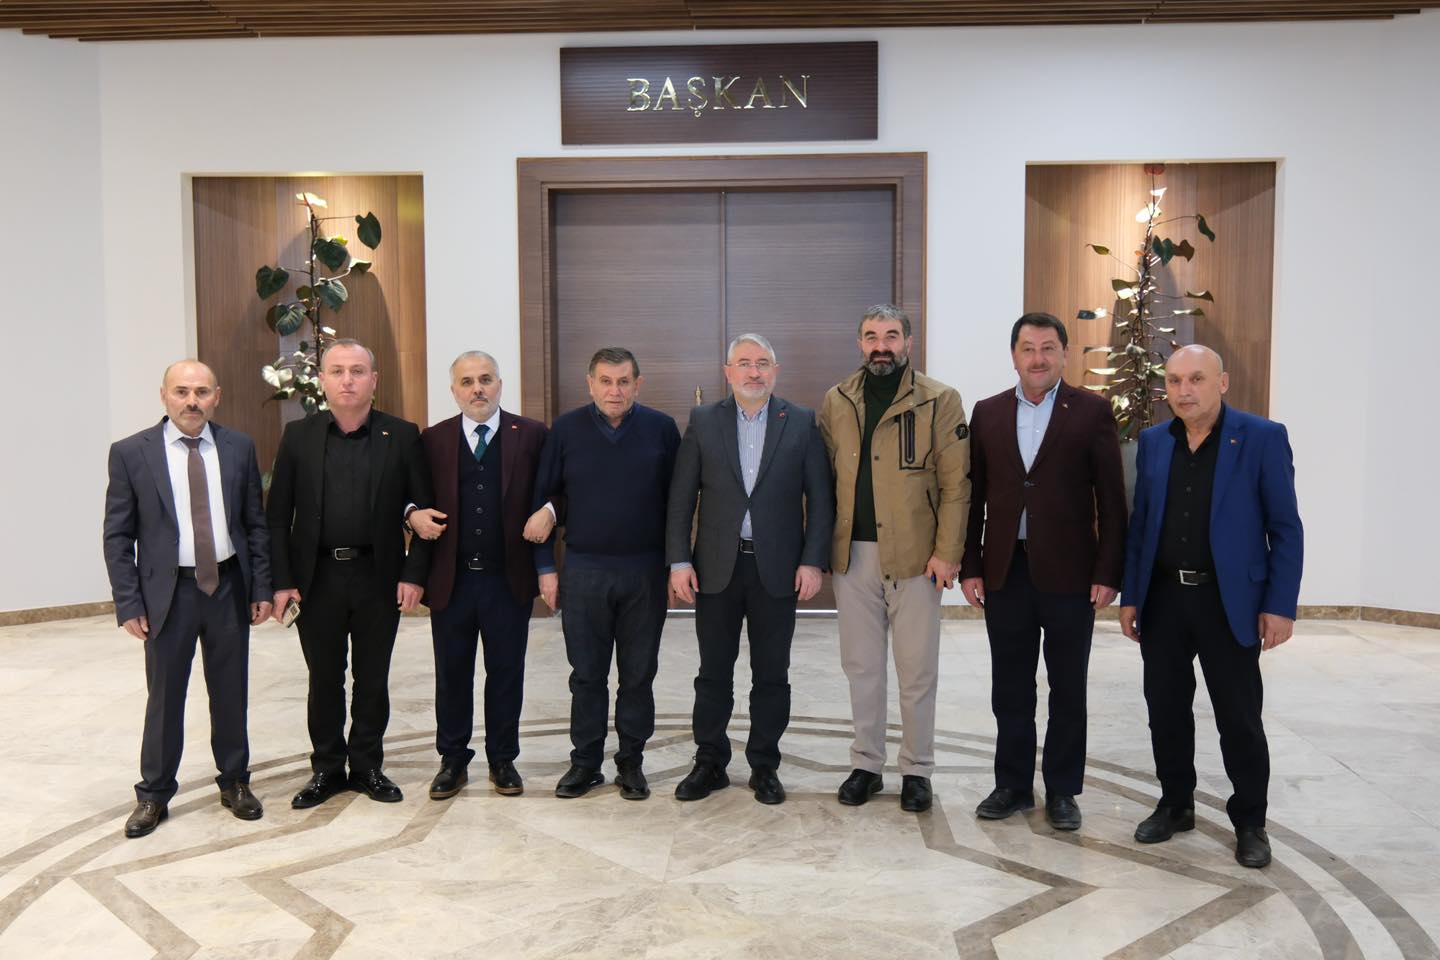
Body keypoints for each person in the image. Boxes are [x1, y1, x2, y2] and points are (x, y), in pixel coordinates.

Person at [1119, 344, 1303, 868]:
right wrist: (1132, 595)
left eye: (1197, 379)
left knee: (1239, 717)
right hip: (1164, 599)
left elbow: (1285, 529)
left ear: (1222, 383)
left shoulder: (1262, 437)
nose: (1185, 391)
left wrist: (1280, 605)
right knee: (1165, 711)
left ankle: (1250, 821)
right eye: (1175, 381)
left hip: (1230, 602)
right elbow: (1141, 526)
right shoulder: (1154, 442)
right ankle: (1175, 804)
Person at [959, 313, 1127, 830]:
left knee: (1067, 686)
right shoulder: (987, 412)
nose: (1038, 358)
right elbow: (973, 497)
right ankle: (1012, 784)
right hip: (1005, 570)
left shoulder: (1092, 411)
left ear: (1064, 354)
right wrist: (971, 565)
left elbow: (1112, 501)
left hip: (1072, 575)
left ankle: (1062, 790)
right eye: (1028, 348)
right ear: (1014, 356)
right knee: (1009, 686)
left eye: (1048, 348)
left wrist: (1108, 571)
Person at [102, 360, 271, 837]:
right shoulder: (131, 453)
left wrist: (261, 586)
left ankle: (235, 781)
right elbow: (117, 536)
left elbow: (255, 525)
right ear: (164, 395)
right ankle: (154, 793)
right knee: (165, 696)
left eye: (201, 392)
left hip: (228, 587)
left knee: (231, 691)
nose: (192, 401)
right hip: (167, 594)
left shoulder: (239, 447)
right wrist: (129, 602)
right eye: (181, 391)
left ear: (217, 396)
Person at [666, 334, 835, 805]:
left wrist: (812, 560)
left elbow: (821, 499)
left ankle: (765, 765)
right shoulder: (704, 420)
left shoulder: (800, 421)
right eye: (743, 363)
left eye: (762, 363)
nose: (753, 372)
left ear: (775, 371)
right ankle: (710, 762)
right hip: (716, 569)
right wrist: (679, 560)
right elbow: (681, 497)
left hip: (777, 570)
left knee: (772, 674)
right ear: (728, 372)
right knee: (713, 673)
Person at [267, 339, 434, 808]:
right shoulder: (298, 436)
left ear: (374, 380)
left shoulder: (402, 435)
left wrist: (414, 574)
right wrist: (282, 581)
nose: (347, 380)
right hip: (315, 579)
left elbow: (425, 510)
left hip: (378, 576)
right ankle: (326, 768)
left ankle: (366, 766)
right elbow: (277, 518)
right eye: (337, 371)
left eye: (358, 371)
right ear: (322, 380)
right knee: (324, 678)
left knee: (372, 677)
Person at [819, 303, 971, 813]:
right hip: (853, 557)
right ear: (859, 343)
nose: (880, 346)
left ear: (908, 341)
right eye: (871, 336)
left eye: (890, 335)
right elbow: (822, 481)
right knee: (861, 667)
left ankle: (916, 770)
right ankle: (866, 764)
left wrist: (947, 553)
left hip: (916, 559)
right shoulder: (837, 400)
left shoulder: (939, 400)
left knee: (916, 670)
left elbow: (957, 486)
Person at [524, 347, 680, 800]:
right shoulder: (566, 430)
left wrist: (675, 565)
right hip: (584, 570)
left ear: (638, 384)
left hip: (644, 572)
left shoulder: (661, 429)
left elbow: (678, 503)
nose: (615, 390)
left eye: (624, 381)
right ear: (589, 384)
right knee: (587, 675)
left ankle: (631, 762)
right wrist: (546, 568)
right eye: (606, 381)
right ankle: (585, 763)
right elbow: (544, 500)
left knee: (638, 675)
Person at [408, 351, 551, 799]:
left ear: (500, 384)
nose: (477, 389)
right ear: (454, 391)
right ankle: (452, 759)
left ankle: (503, 759)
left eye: (485, 379)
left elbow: (556, 490)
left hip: (507, 580)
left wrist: (549, 511)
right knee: (452, 674)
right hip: (452, 580)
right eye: (467, 382)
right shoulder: (433, 439)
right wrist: (411, 513)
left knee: (506, 672)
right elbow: (410, 495)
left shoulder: (532, 435)